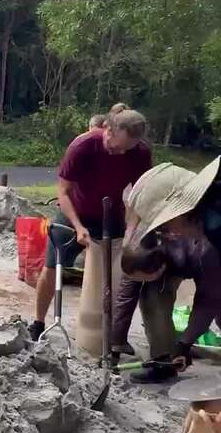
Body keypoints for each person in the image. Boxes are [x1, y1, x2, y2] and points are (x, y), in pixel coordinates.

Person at [28, 106, 152, 341]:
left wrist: (131, 231)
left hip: (111, 215)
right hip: (74, 211)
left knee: (115, 274)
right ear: (107, 129)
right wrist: (77, 226)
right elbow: (63, 192)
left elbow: (140, 195)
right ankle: (38, 322)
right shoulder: (83, 146)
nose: (118, 153)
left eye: (126, 150)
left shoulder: (140, 154)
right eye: (115, 147)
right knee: (53, 267)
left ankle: (113, 336)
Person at [112, 157, 221, 381]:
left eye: (166, 224)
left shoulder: (214, 234)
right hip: (183, 263)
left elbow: (209, 299)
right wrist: (115, 341)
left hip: (209, 264)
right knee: (153, 294)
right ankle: (163, 363)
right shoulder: (151, 242)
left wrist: (185, 342)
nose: (167, 232)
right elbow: (126, 290)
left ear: (182, 210)